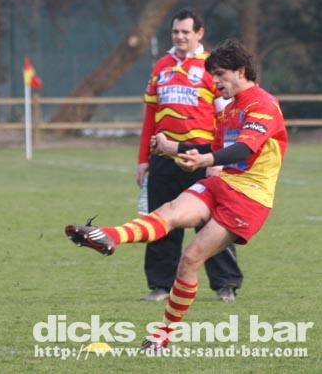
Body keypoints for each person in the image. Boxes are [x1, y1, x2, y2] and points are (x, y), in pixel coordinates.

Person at [65, 38, 288, 348]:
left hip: (249, 199)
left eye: (220, 74)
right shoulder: (229, 109)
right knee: (168, 212)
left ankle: (162, 336)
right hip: (223, 184)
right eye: (213, 75)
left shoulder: (263, 104)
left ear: (240, 71)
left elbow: (243, 148)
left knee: (190, 259)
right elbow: (214, 147)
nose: (215, 82)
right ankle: (109, 236)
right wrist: (175, 148)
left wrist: (205, 161)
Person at [137, 9, 243, 303]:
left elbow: (225, 118)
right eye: (175, 32)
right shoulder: (161, 66)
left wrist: (219, 160)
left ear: (199, 33)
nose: (180, 37)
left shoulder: (212, 68)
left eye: (185, 31)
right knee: (161, 219)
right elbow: (150, 116)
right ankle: (161, 285)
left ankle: (225, 284)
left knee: (213, 221)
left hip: (203, 157)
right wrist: (143, 159)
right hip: (164, 158)